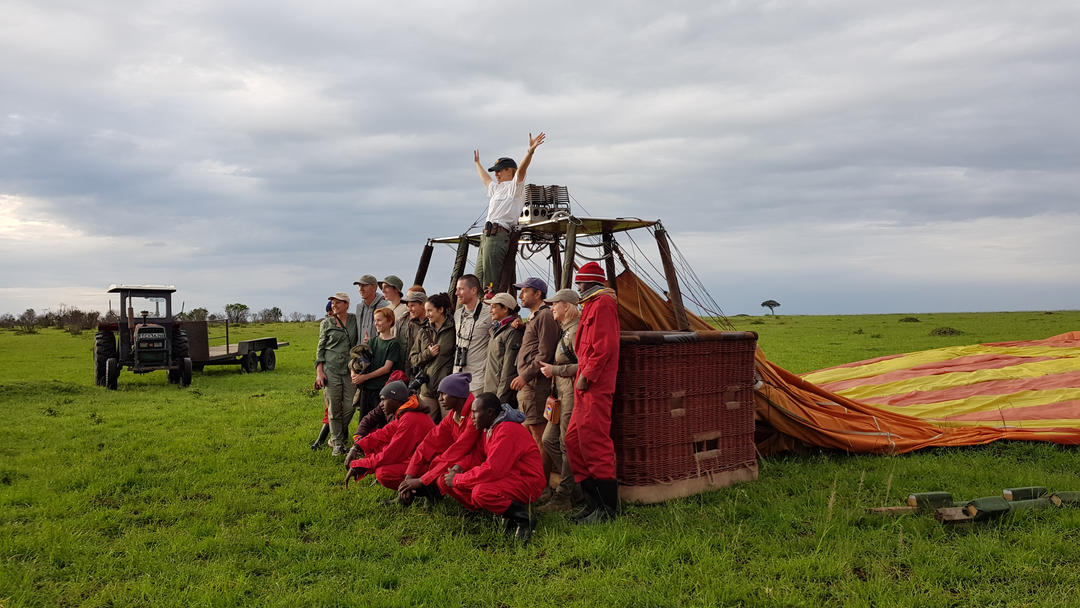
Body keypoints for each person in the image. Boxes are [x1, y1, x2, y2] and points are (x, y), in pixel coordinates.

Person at [438, 392, 547, 541]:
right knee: (446, 479)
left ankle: (524, 518)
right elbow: (480, 455)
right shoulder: (490, 427)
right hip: (511, 476)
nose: (472, 417)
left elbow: (492, 470)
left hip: (528, 482)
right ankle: (503, 513)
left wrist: (458, 479)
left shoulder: (506, 430)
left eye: (476, 412)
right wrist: (460, 467)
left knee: (480, 492)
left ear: (489, 412)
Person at [564, 262, 621, 523]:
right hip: (583, 387)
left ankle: (607, 510)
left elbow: (605, 346)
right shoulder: (591, 305)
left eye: (580, 284)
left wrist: (587, 375)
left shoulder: (603, 305)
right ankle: (592, 503)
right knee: (574, 441)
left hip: (594, 386)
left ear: (590, 284)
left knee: (594, 444)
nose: (578, 288)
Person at [472, 132, 546, 291]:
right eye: (495, 171)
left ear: (509, 171)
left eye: (500, 170)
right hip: (487, 235)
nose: (496, 174)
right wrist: (477, 163)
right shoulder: (497, 188)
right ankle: (479, 309)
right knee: (476, 281)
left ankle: (492, 308)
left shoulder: (514, 188)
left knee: (490, 282)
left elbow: (522, 171)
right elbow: (486, 179)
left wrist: (530, 151)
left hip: (499, 234)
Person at [397, 372, 480, 506]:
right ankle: (431, 492)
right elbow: (429, 442)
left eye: (444, 394)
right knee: (434, 459)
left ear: (458, 395)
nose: (440, 399)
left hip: (479, 461)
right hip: (467, 458)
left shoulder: (474, 416)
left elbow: (458, 451)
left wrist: (421, 480)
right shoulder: (453, 415)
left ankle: (474, 506)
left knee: (444, 477)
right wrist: (409, 477)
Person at [344, 380, 434, 495]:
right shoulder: (406, 414)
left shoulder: (410, 419)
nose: (381, 404)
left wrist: (361, 465)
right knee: (379, 449)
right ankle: (412, 491)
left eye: (383, 399)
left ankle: (428, 491)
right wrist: (357, 447)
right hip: (422, 461)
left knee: (383, 473)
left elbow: (391, 454)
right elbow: (383, 434)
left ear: (396, 400)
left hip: (429, 465)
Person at [538, 288, 582, 511]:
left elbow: (585, 366)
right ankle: (576, 489)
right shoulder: (566, 330)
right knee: (548, 440)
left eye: (555, 304)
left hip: (572, 394)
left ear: (567, 306)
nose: (552, 307)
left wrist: (556, 370)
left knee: (566, 445)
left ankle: (564, 496)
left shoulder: (575, 332)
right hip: (561, 395)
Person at [510, 277, 560, 451]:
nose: (520, 295)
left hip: (535, 386)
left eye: (525, 291)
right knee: (528, 435)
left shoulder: (545, 316)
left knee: (538, 436)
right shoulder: (535, 317)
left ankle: (541, 478)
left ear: (538, 294)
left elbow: (545, 353)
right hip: (529, 387)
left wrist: (524, 376)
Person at [315, 292, 359, 456]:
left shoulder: (355, 320)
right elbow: (320, 349)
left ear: (347, 304)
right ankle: (338, 445)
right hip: (330, 369)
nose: (334, 305)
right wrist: (319, 373)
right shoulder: (326, 323)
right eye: (332, 303)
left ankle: (336, 437)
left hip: (349, 369)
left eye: (338, 303)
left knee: (350, 405)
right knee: (333, 407)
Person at [409, 292, 455, 422]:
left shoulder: (454, 329)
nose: (427, 314)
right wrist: (428, 354)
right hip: (427, 389)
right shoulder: (424, 331)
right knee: (424, 427)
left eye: (430, 310)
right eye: (426, 310)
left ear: (441, 310)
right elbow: (413, 358)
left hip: (447, 390)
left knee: (448, 427)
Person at [351, 307, 403, 422]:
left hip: (381, 390)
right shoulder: (372, 341)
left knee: (379, 422)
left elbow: (386, 368)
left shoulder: (393, 344)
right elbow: (358, 362)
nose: (376, 323)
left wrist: (364, 377)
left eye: (379, 320)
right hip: (367, 389)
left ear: (390, 321)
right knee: (364, 420)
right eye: (375, 321)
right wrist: (354, 374)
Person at [452, 274, 491, 394]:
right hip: (457, 377)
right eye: (457, 289)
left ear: (474, 290)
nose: (457, 293)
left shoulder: (489, 313)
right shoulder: (457, 314)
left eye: (461, 289)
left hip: (477, 380)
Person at [484, 292, 523, 407]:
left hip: (499, 397)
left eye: (494, 307)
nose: (490, 311)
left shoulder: (512, 332)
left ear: (505, 308)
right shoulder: (497, 330)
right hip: (491, 392)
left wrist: (500, 401)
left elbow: (508, 370)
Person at [353, 274, 390, 344]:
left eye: (364, 285)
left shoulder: (385, 307)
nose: (360, 289)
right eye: (359, 286)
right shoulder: (359, 307)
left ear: (374, 288)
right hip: (361, 352)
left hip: (378, 352)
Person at [397, 287, 427, 370]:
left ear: (423, 305)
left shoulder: (432, 324)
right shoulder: (408, 323)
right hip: (408, 371)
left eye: (412, 306)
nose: (409, 309)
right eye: (408, 306)